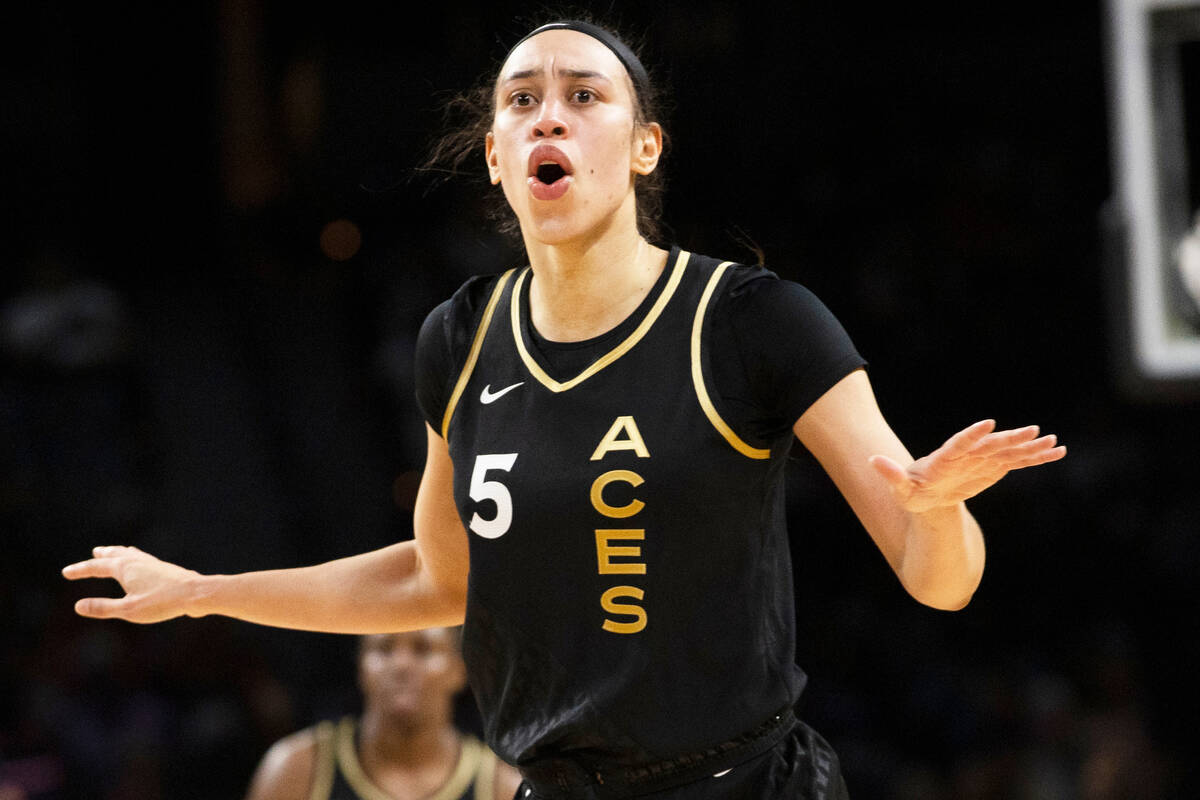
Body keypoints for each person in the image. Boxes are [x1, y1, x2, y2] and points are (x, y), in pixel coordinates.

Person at [63, 17, 1067, 799]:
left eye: (586, 96)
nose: (550, 115)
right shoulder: (456, 340)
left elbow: (943, 582)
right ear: (496, 154)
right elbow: (434, 575)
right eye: (521, 101)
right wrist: (203, 588)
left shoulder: (753, 320)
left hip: (743, 783)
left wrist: (935, 509)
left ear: (644, 147)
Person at [244, 628, 522, 800]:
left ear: (460, 669)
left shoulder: (503, 787)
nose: (401, 664)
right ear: (361, 667)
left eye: (423, 649)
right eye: (384, 648)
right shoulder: (296, 769)